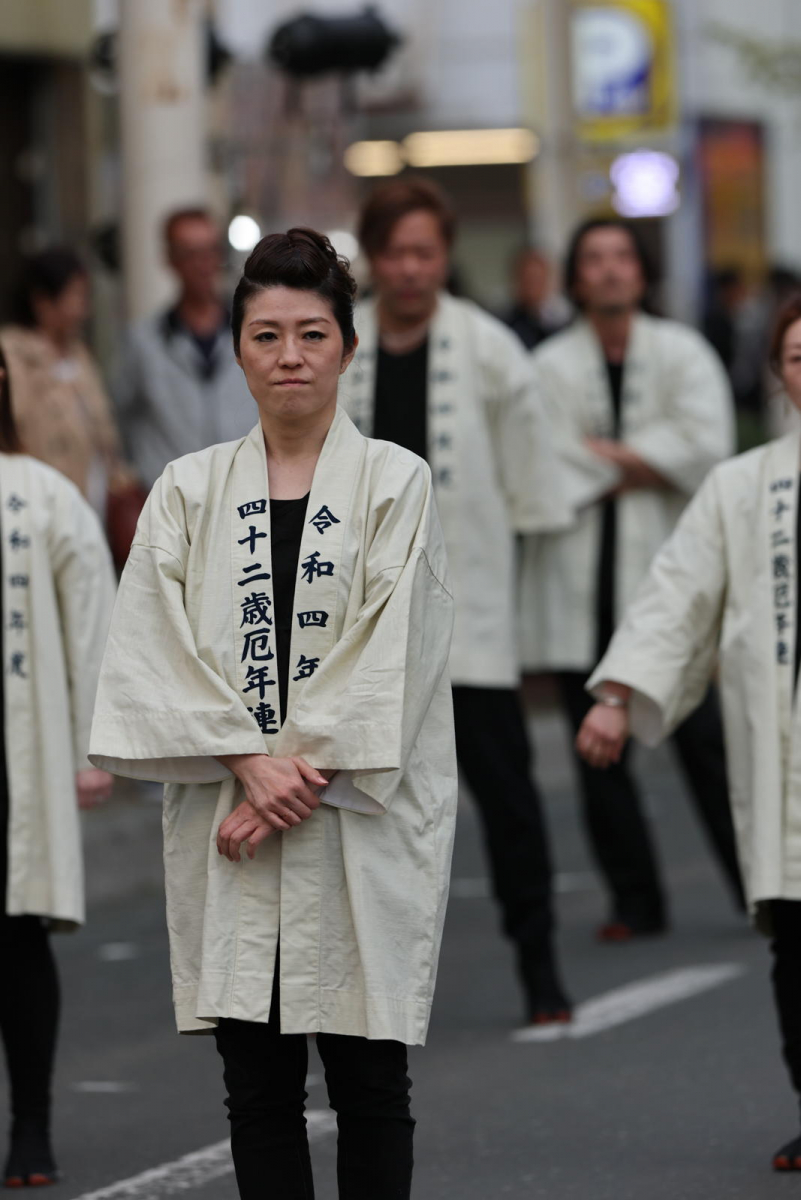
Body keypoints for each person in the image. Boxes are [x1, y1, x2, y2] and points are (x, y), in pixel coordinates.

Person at [89, 228, 457, 1200]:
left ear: (347, 345)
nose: (288, 357)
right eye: (265, 337)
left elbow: (398, 649)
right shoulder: (187, 489)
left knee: (371, 1077)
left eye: (311, 334)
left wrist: (296, 778)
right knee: (255, 1084)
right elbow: (149, 642)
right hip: (232, 813)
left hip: (354, 822)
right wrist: (249, 765)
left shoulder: (395, 482)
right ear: (242, 349)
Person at [575, 294, 801, 1172]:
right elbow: (677, 596)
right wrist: (617, 695)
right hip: (778, 756)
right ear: (776, 374)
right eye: (794, 354)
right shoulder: (740, 487)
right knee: (793, 936)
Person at [341, 176, 574, 1024]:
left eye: (425, 253)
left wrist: (536, 623)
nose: (409, 269)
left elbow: (534, 491)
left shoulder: (487, 349)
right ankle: (368, 987)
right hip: (357, 629)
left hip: (467, 617)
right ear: (373, 256)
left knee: (506, 798)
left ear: (445, 258)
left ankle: (540, 968)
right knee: (360, 811)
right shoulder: (339, 343)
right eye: (395, 252)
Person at [520, 216, 744, 940]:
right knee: (596, 754)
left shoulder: (682, 354)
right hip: (577, 584)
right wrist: (649, 464)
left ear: (640, 273)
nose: (609, 270)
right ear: (574, 276)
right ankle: (635, 901)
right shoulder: (548, 366)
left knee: (705, 742)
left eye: (621, 257)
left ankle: (760, 889)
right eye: (593, 259)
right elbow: (544, 468)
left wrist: (603, 459)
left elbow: (707, 449)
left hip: (670, 583)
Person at [0, 349, 116, 1187]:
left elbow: (92, 624)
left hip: (17, 754)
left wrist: (91, 746)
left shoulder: (41, 495)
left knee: (14, 937)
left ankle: (31, 1124)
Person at [115, 207, 258, 490]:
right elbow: (120, 416)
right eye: (189, 254)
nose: (202, 264)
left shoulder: (252, 331)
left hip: (247, 495)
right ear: (169, 259)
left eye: (210, 251)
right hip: (171, 503)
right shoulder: (144, 341)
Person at [0, 248, 135, 516]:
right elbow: (14, 422)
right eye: (75, 296)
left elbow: (102, 427)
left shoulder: (78, 353)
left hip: (91, 502)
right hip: (39, 502)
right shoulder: (12, 352)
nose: (83, 309)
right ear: (42, 301)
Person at [502, 246, 568, 351]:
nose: (533, 287)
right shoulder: (504, 326)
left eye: (538, 280)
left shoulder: (559, 324)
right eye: (529, 280)